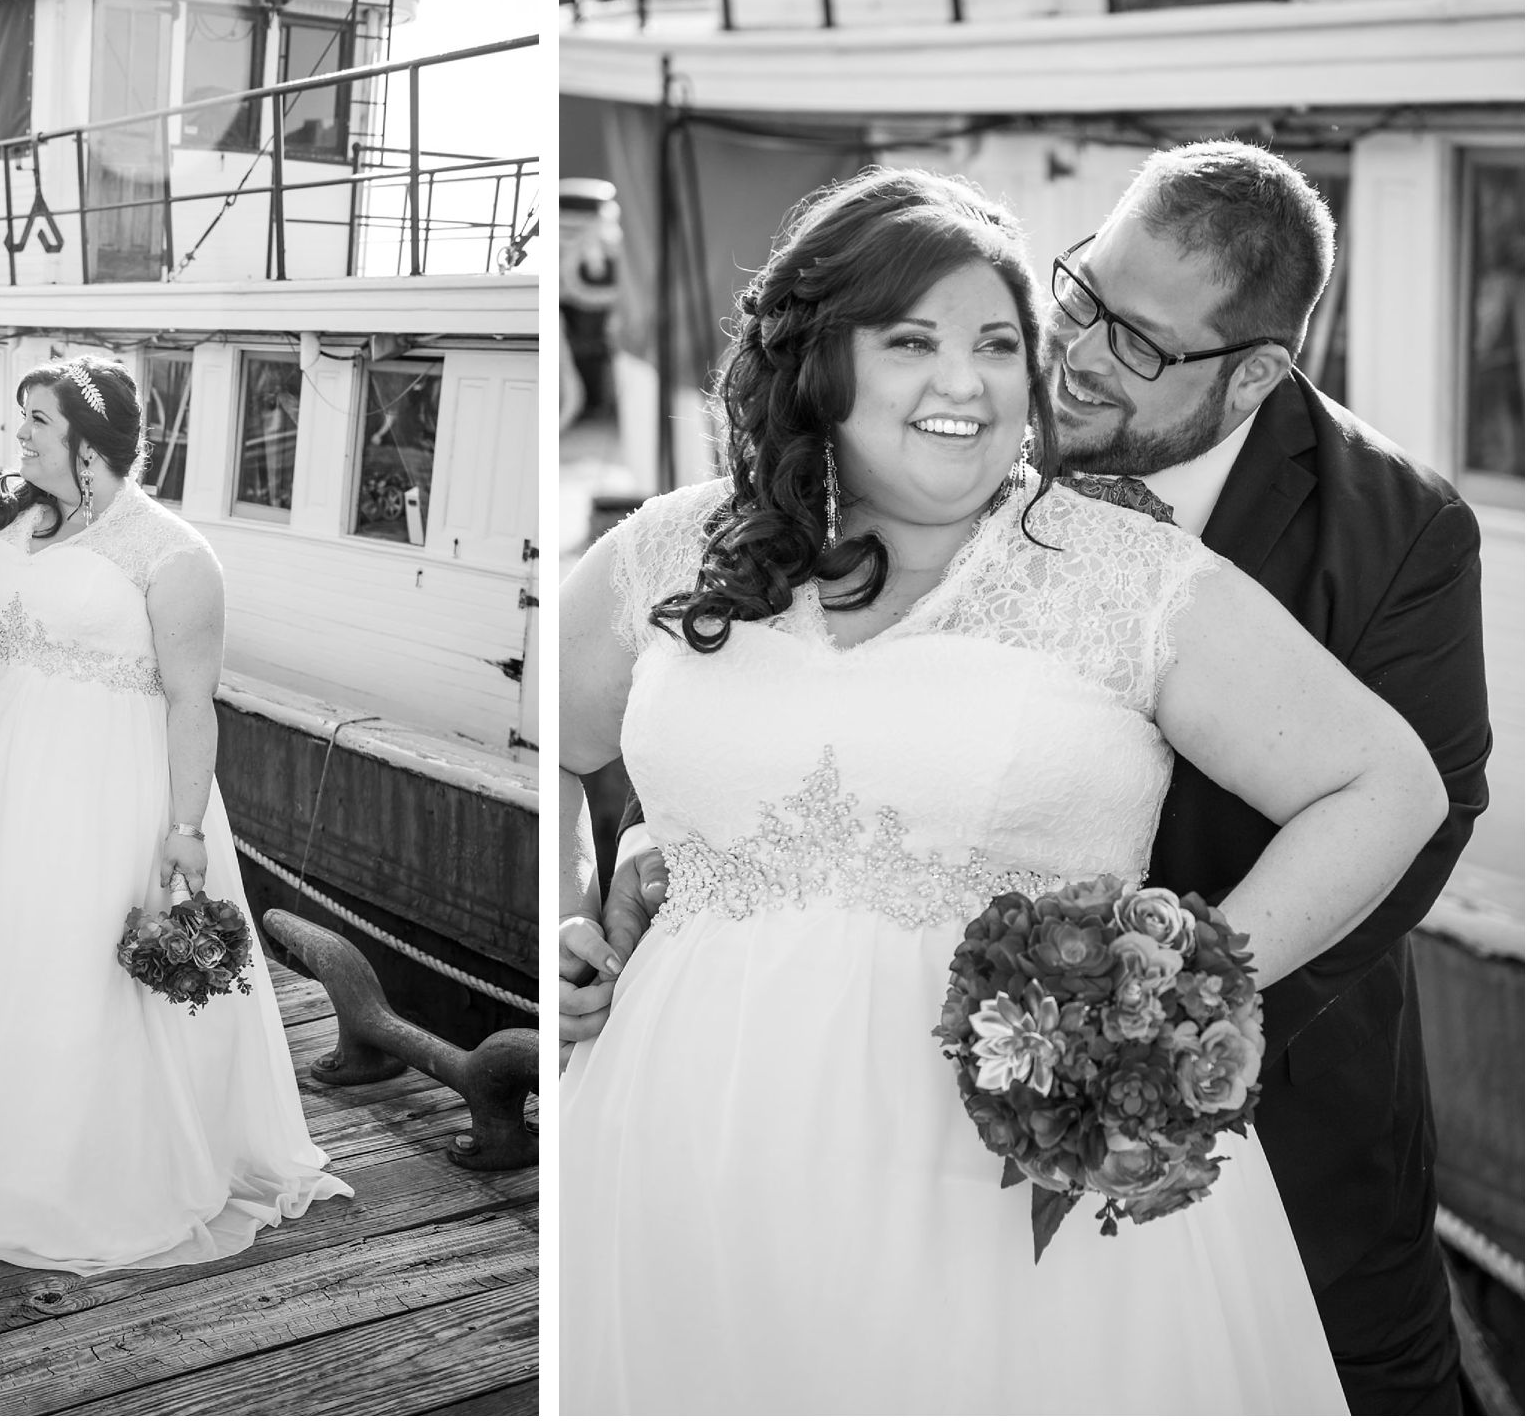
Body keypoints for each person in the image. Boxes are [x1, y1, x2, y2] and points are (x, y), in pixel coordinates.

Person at [571, 142, 1490, 1414]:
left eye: (1141, 342)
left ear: (1257, 372)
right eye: (1077, 298)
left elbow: (1402, 803)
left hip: (1179, 1116)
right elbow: (665, 733)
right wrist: (640, 855)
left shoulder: (1391, 531)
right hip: (715, 1126)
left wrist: (1152, 1012)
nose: (1073, 356)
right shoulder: (882, 444)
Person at [0, 356, 350, 1273]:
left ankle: (71, 1174)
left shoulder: (172, 555)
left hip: (96, 787)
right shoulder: (12, 516)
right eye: (23, 417)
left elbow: (193, 702)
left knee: (73, 970)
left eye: (38, 419)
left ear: (90, 439)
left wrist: (186, 827)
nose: (21, 434)